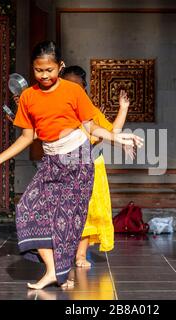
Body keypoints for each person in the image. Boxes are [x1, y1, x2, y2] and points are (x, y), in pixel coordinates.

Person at [0, 41, 143, 290]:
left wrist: (116, 136)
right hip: (51, 161)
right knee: (26, 208)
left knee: (67, 219)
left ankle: (58, 271)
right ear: (32, 69)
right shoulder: (28, 97)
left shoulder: (73, 91)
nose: (45, 75)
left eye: (49, 70)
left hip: (78, 160)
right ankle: (54, 270)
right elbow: (27, 136)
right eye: (39, 70)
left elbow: (90, 126)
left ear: (60, 66)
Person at [60, 65, 131, 268]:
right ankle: (65, 252)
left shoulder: (91, 112)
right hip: (64, 167)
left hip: (91, 167)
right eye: (67, 85)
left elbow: (112, 133)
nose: (72, 90)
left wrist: (123, 109)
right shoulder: (57, 110)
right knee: (65, 211)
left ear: (84, 89)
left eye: (77, 86)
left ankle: (80, 255)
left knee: (88, 212)